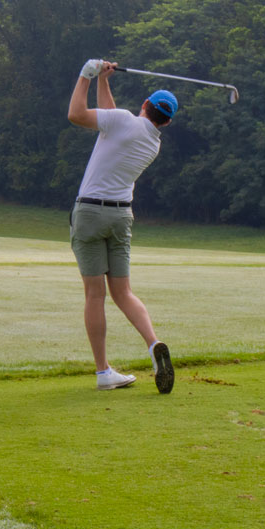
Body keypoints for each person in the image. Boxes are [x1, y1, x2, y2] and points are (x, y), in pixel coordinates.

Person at [67, 58, 176, 393]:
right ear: (166, 122)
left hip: (90, 213)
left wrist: (86, 74)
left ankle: (103, 373)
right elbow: (110, 122)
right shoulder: (152, 142)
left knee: (95, 294)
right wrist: (105, 81)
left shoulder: (123, 122)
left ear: (145, 105)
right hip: (121, 216)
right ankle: (153, 343)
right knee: (123, 293)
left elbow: (77, 115)